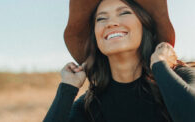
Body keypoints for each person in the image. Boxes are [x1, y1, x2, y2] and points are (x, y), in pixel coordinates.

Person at [43, 0, 195, 122]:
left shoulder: (180, 78)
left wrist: (159, 65)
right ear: (95, 37)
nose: (111, 23)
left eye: (124, 13)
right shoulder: (89, 105)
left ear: (145, 25)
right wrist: (67, 89)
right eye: (101, 18)